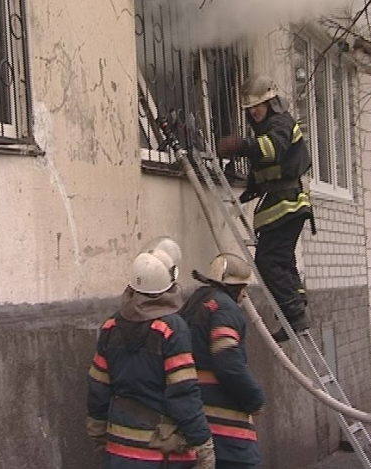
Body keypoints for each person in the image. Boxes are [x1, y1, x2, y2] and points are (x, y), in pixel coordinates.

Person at [86, 236, 215, 469]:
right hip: (160, 454)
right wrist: (202, 442)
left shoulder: (111, 326)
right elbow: (183, 393)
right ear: (169, 285)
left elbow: (98, 387)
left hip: (119, 451)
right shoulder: (171, 329)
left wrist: (97, 431)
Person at [217, 73, 313, 343]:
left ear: (270, 102)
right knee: (282, 259)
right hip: (286, 202)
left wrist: (239, 145)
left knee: (268, 261)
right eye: (249, 109)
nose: (253, 112)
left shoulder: (280, 123)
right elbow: (270, 167)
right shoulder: (268, 126)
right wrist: (252, 188)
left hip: (286, 204)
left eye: (257, 106)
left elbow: (272, 149)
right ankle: (298, 307)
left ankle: (294, 315)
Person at [180, 253, 265, 469]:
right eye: (242, 288)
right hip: (226, 432)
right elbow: (228, 363)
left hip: (195, 418)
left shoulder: (195, 303)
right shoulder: (225, 308)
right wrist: (254, 398)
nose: (244, 295)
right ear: (233, 287)